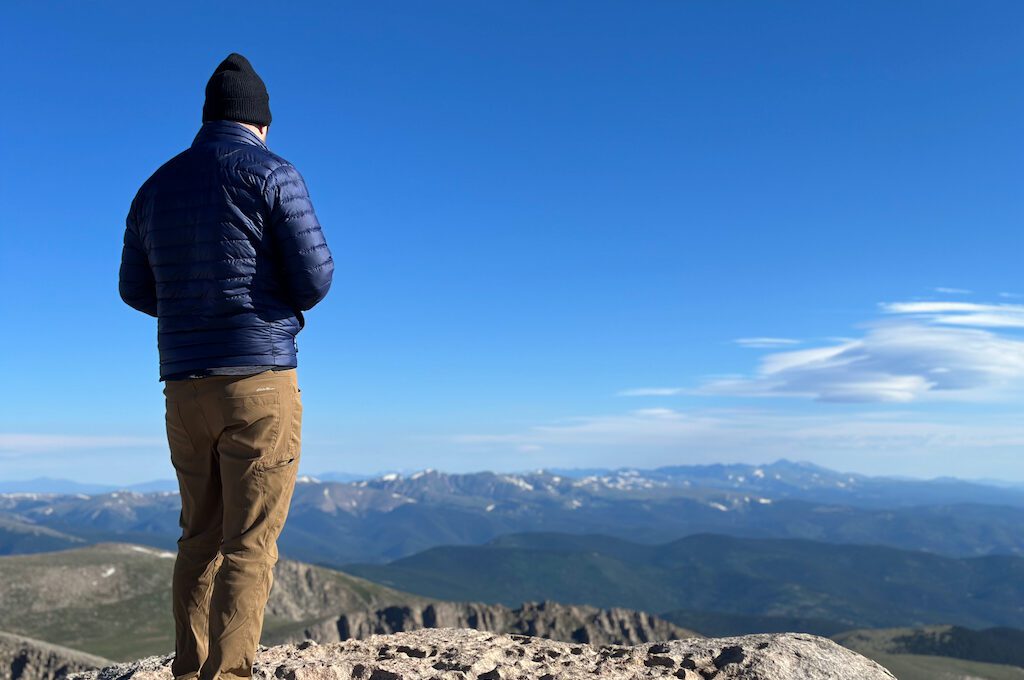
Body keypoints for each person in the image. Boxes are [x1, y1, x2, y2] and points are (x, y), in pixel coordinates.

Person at [118, 52, 334, 680]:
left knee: (198, 537)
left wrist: (191, 310)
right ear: (260, 122)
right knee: (250, 542)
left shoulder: (155, 186)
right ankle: (231, 674)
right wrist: (259, 306)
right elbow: (316, 277)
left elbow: (135, 289)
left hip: (183, 385)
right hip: (258, 382)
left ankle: (189, 668)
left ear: (207, 117)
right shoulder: (275, 173)